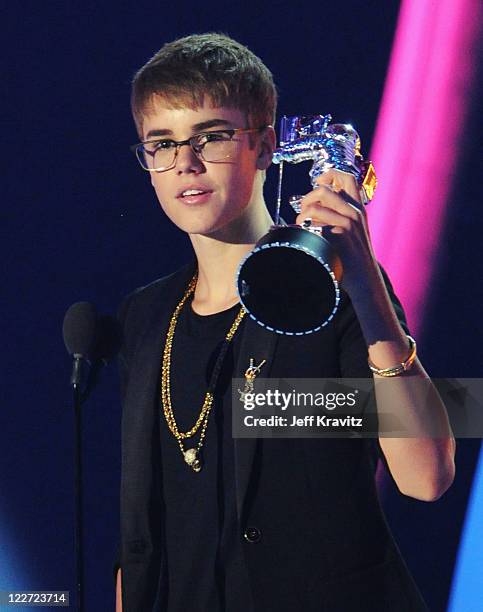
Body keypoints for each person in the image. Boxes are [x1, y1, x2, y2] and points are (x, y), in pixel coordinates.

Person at [113, 33, 455, 611]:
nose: (186, 164)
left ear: (266, 145)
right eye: (162, 144)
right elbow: (146, 529)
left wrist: (366, 280)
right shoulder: (145, 315)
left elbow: (426, 478)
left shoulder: (339, 294)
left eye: (212, 137)